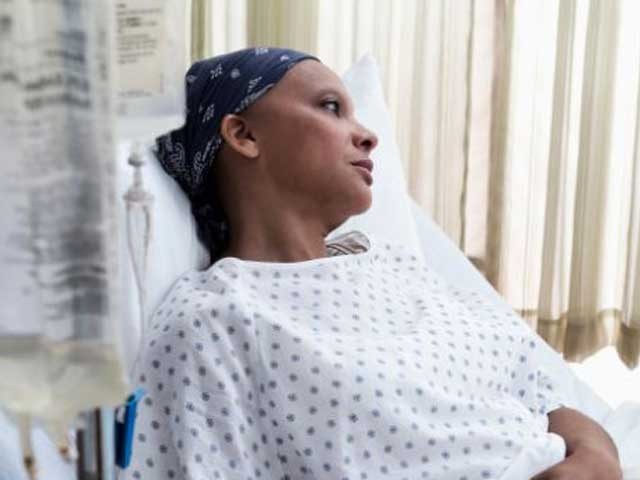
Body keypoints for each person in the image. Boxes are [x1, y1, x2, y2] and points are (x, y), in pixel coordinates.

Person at [124, 47, 622, 480]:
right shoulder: (213, 322)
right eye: (331, 107)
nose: (367, 136)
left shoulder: (393, 266)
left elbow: (542, 393)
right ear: (243, 134)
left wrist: (598, 455)